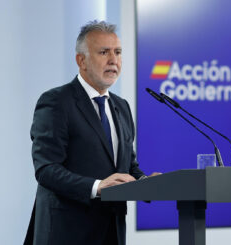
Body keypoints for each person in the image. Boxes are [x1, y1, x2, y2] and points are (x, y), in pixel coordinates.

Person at [24, 20, 158, 245]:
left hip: (111, 232)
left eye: (117, 52)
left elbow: (127, 166)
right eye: (104, 52)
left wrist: (145, 182)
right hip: (66, 233)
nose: (113, 60)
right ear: (81, 60)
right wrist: (97, 187)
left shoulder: (121, 107)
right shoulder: (57, 102)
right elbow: (46, 169)